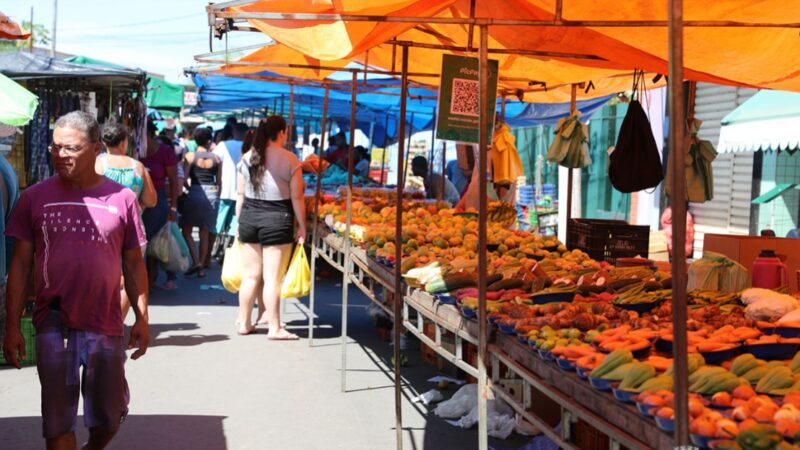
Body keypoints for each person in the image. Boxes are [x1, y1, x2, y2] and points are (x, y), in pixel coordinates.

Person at [3, 111, 148, 450]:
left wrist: (142, 317)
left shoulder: (122, 199)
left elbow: (134, 264)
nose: (60, 155)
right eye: (55, 148)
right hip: (53, 323)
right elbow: (21, 265)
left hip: (106, 323)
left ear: (95, 148)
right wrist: (11, 326)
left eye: (71, 148)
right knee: (57, 423)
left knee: (110, 416)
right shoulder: (35, 197)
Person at [236, 116, 306, 339]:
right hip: (277, 218)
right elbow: (297, 197)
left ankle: (244, 323)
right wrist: (302, 226)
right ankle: (274, 328)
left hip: (249, 216)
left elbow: (240, 195)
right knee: (272, 278)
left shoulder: (247, 157)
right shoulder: (290, 159)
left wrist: (239, 223)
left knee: (250, 277)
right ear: (282, 133)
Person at [97, 122, 157, 318]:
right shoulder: (137, 166)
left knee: (101, 275)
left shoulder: (96, 164)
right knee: (128, 277)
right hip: (132, 228)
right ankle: (117, 322)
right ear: (124, 142)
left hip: (100, 228)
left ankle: (101, 320)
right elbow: (151, 200)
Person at [141, 120, 179, 291]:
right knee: (138, 243)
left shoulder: (165, 151)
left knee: (153, 241)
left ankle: (150, 280)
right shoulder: (132, 149)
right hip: (136, 201)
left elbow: (173, 181)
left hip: (158, 202)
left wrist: (173, 207)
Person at [181, 128, 222, 278]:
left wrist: (189, 188)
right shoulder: (217, 159)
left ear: (194, 140)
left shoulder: (190, 156)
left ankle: (196, 261)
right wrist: (217, 196)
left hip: (195, 192)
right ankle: (202, 267)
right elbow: (220, 181)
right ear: (209, 141)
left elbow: (184, 177)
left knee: (186, 230)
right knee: (204, 232)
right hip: (212, 193)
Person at [214, 123, 246, 241]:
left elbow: (213, 161)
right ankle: (230, 247)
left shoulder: (223, 145)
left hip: (224, 189)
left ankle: (213, 249)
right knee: (235, 224)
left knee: (218, 222)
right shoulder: (249, 147)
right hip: (242, 193)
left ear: (233, 132)